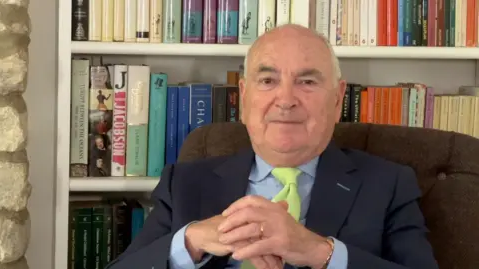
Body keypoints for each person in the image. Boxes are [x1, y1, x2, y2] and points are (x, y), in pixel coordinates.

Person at [106, 24, 439, 269]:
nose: (286, 100)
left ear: (337, 100)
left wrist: (319, 251)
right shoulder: (186, 183)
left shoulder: (388, 184)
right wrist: (191, 242)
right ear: (246, 96)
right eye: (268, 81)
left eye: (307, 81)